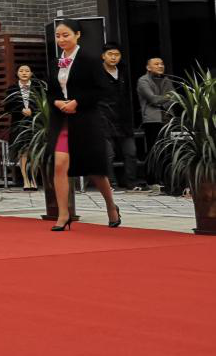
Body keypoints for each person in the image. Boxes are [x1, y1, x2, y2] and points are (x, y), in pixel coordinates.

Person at [47, 19, 121, 231]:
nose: (61, 39)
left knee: (95, 170)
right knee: (59, 164)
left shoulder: (90, 60)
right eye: (58, 36)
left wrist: (77, 102)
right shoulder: (55, 62)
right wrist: (57, 102)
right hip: (62, 120)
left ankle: (111, 206)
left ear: (77, 35)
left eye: (66, 35)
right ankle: (64, 214)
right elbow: (50, 91)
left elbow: (102, 89)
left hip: (86, 119)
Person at [100, 43, 144, 192]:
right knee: (108, 154)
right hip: (104, 118)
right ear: (103, 56)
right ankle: (110, 184)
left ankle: (131, 182)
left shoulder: (123, 71)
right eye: (110, 54)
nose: (113, 57)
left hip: (123, 119)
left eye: (117, 55)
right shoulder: (97, 73)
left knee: (131, 152)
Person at [137, 57, 175, 189]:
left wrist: (164, 99)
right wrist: (166, 97)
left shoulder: (166, 80)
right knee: (154, 150)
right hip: (152, 120)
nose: (160, 66)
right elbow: (152, 99)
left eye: (162, 64)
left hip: (167, 119)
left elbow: (174, 98)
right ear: (148, 67)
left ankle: (166, 179)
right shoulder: (143, 80)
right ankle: (152, 180)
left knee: (167, 150)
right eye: (156, 64)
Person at [3, 64, 39, 190]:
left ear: (31, 73)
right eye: (21, 71)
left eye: (27, 71)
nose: (24, 73)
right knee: (23, 152)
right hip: (19, 125)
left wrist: (32, 110)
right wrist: (21, 110)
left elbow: (43, 104)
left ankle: (33, 179)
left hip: (35, 124)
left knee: (33, 152)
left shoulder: (37, 88)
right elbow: (7, 107)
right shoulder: (12, 89)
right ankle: (26, 181)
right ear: (17, 73)